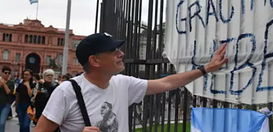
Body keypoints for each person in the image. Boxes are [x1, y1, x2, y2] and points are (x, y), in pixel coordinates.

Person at [34, 32, 228, 132]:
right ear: (95, 61)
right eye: (114, 51)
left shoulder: (122, 83)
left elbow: (167, 83)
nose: (121, 54)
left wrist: (205, 69)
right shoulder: (67, 91)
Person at [0, 66, 14, 132]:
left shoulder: (11, 83)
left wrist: (4, 84)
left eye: (9, 73)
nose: (7, 74)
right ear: (2, 73)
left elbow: (9, 93)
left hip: (6, 105)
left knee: (2, 123)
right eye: (5, 73)